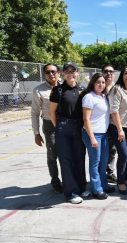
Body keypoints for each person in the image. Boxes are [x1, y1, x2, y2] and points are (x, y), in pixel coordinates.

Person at [48, 63, 87, 204]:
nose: (70, 74)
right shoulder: (58, 90)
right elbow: (51, 112)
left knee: (80, 157)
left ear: (77, 72)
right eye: (67, 71)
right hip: (63, 127)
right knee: (66, 160)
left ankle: (82, 187)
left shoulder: (83, 89)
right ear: (63, 73)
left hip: (79, 127)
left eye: (73, 71)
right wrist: (59, 127)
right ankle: (71, 192)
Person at [82, 73, 115, 200]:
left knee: (103, 162)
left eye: (102, 82)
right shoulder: (89, 97)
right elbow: (86, 119)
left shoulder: (103, 97)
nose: (101, 84)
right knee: (95, 163)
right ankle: (96, 189)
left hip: (104, 134)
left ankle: (103, 184)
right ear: (93, 83)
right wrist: (92, 138)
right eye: (98, 82)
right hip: (93, 134)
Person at [31, 63, 62, 193]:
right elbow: (35, 113)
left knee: (68, 154)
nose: (51, 74)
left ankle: (71, 179)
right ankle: (55, 181)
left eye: (53, 71)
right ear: (44, 74)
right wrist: (36, 133)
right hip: (49, 125)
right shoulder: (38, 90)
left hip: (66, 125)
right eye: (48, 72)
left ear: (58, 72)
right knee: (52, 155)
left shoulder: (65, 86)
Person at [108, 65, 127, 195]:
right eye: (126, 73)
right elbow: (114, 111)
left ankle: (125, 178)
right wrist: (120, 130)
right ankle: (120, 181)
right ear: (122, 75)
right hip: (118, 128)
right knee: (124, 154)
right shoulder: (117, 89)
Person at [102, 64, 118, 184]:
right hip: (100, 126)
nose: (109, 74)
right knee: (101, 151)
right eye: (106, 71)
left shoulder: (117, 88)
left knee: (112, 150)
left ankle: (110, 172)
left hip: (112, 125)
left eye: (111, 72)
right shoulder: (97, 87)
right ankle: (101, 174)